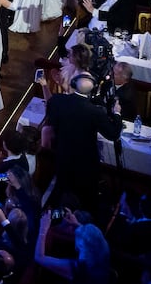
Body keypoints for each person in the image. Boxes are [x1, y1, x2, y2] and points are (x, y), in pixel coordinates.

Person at [41, 73, 122, 206]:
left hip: (63, 156)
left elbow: (50, 114)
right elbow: (113, 134)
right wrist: (117, 113)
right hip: (86, 162)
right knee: (85, 198)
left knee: (64, 190)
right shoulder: (96, 112)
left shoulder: (57, 100)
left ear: (74, 84)